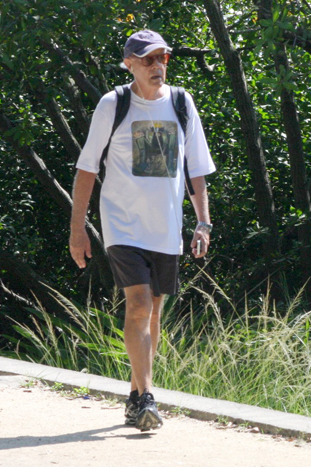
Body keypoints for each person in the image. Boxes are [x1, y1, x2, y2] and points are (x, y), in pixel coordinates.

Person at [69, 30, 215, 432]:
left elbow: (197, 171)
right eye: (148, 59)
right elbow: (86, 169)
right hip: (122, 224)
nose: (157, 66)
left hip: (166, 227)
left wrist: (203, 222)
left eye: (162, 58)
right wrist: (77, 229)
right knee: (137, 303)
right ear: (129, 64)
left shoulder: (183, 103)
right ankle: (149, 398)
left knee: (153, 314)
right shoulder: (113, 104)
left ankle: (135, 398)